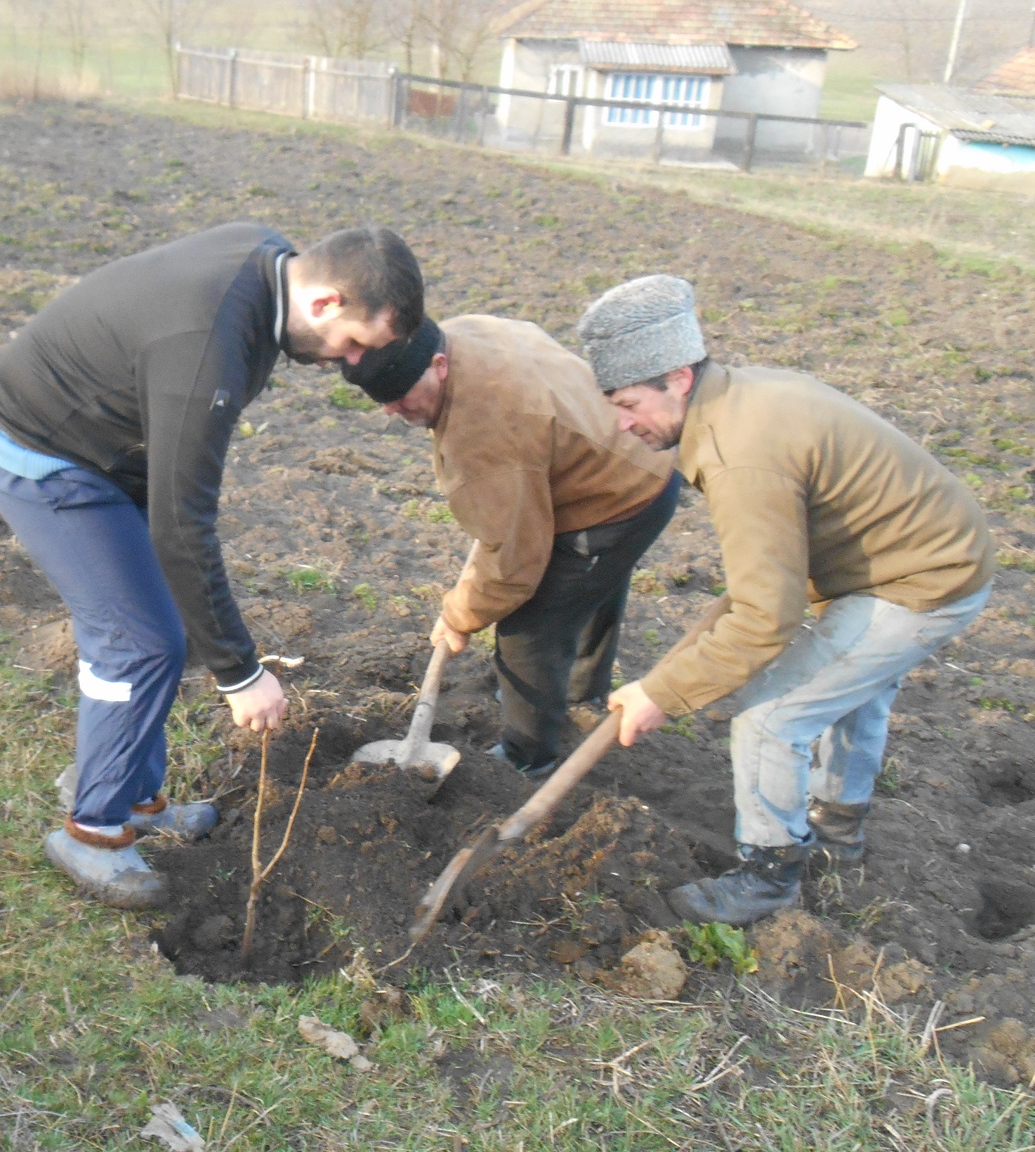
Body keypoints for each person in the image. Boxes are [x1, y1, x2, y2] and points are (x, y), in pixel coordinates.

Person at [0, 222, 423, 907]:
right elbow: (181, 526)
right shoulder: (206, 350)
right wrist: (241, 674)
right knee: (136, 644)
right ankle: (92, 831)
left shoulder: (270, 261)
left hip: (107, 446)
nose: (350, 363)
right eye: (355, 344)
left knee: (163, 630)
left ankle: (136, 798)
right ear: (327, 302)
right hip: (46, 457)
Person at [583, 275, 995, 925]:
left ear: (679, 379)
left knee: (771, 719)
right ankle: (839, 831)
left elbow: (765, 620)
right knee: (851, 691)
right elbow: (760, 586)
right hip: (909, 555)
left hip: (922, 578)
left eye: (630, 403)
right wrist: (665, 678)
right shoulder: (740, 397)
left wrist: (663, 694)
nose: (623, 424)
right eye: (612, 404)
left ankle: (768, 875)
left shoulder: (741, 453)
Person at [341, 314, 679, 774]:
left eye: (400, 395)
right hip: (635, 459)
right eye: (381, 400)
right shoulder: (467, 331)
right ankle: (580, 694)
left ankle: (527, 756)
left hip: (618, 494)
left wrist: (460, 615)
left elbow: (515, 564)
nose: (392, 410)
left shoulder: (482, 435)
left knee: (529, 628)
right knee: (593, 583)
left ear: (438, 364)